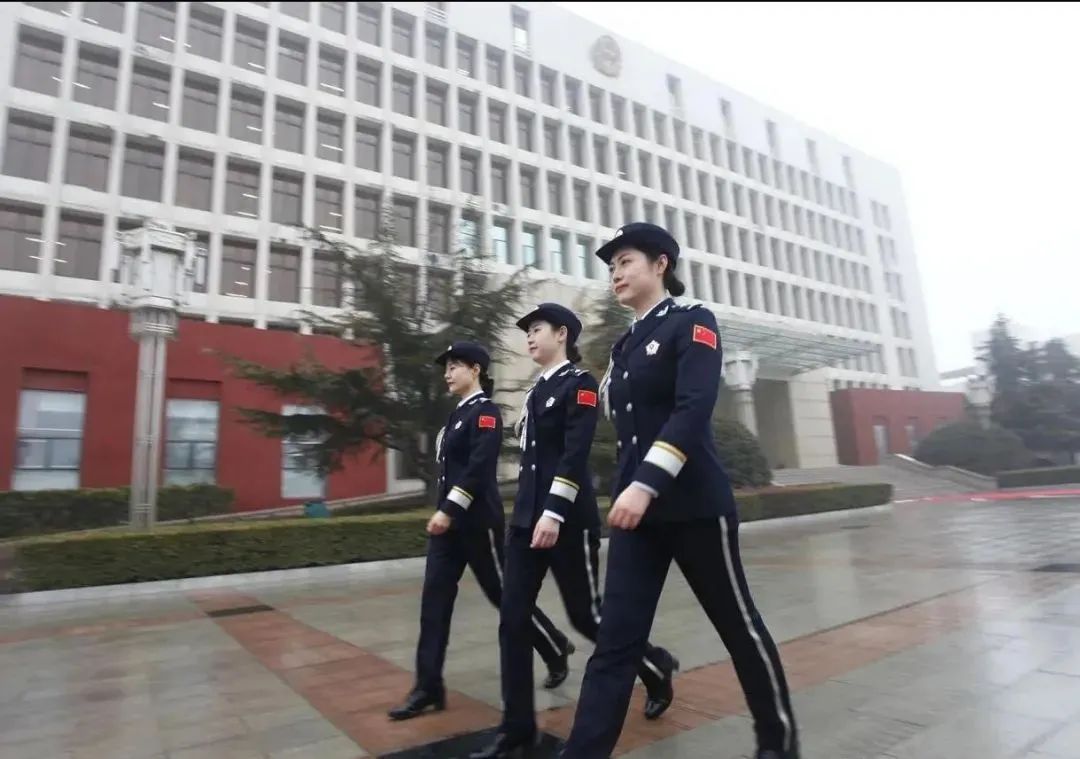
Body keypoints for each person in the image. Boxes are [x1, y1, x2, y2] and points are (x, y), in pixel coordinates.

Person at [558, 224, 799, 759]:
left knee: (738, 628)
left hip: (694, 506)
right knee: (614, 644)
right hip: (636, 516)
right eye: (611, 267)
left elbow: (692, 410)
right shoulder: (623, 347)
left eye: (625, 261)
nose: (615, 274)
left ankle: (778, 744)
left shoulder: (692, 322)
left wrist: (646, 484)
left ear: (660, 263)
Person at [471, 305, 679, 759]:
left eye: (537, 329)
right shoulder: (536, 391)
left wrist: (553, 512)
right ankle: (516, 729)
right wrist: (527, 516)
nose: (529, 337)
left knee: (587, 616)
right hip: (524, 522)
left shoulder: (579, 385)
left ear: (562, 334)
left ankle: (654, 665)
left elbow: (573, 454)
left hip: (565, 521)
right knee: (512, 619)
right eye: (527, 331)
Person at [388, 341, 575, 722]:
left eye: (454, 366)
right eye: (446, 368)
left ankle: (553, 645)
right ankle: (427, 687)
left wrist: (449, 509)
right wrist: (445, 514)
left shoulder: (486, 413)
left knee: (505, 597)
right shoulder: (456, 415)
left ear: (475, 370)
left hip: (477, 525)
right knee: (433, 604)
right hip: (448, 529)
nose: (447, 374)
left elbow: (478, 469)